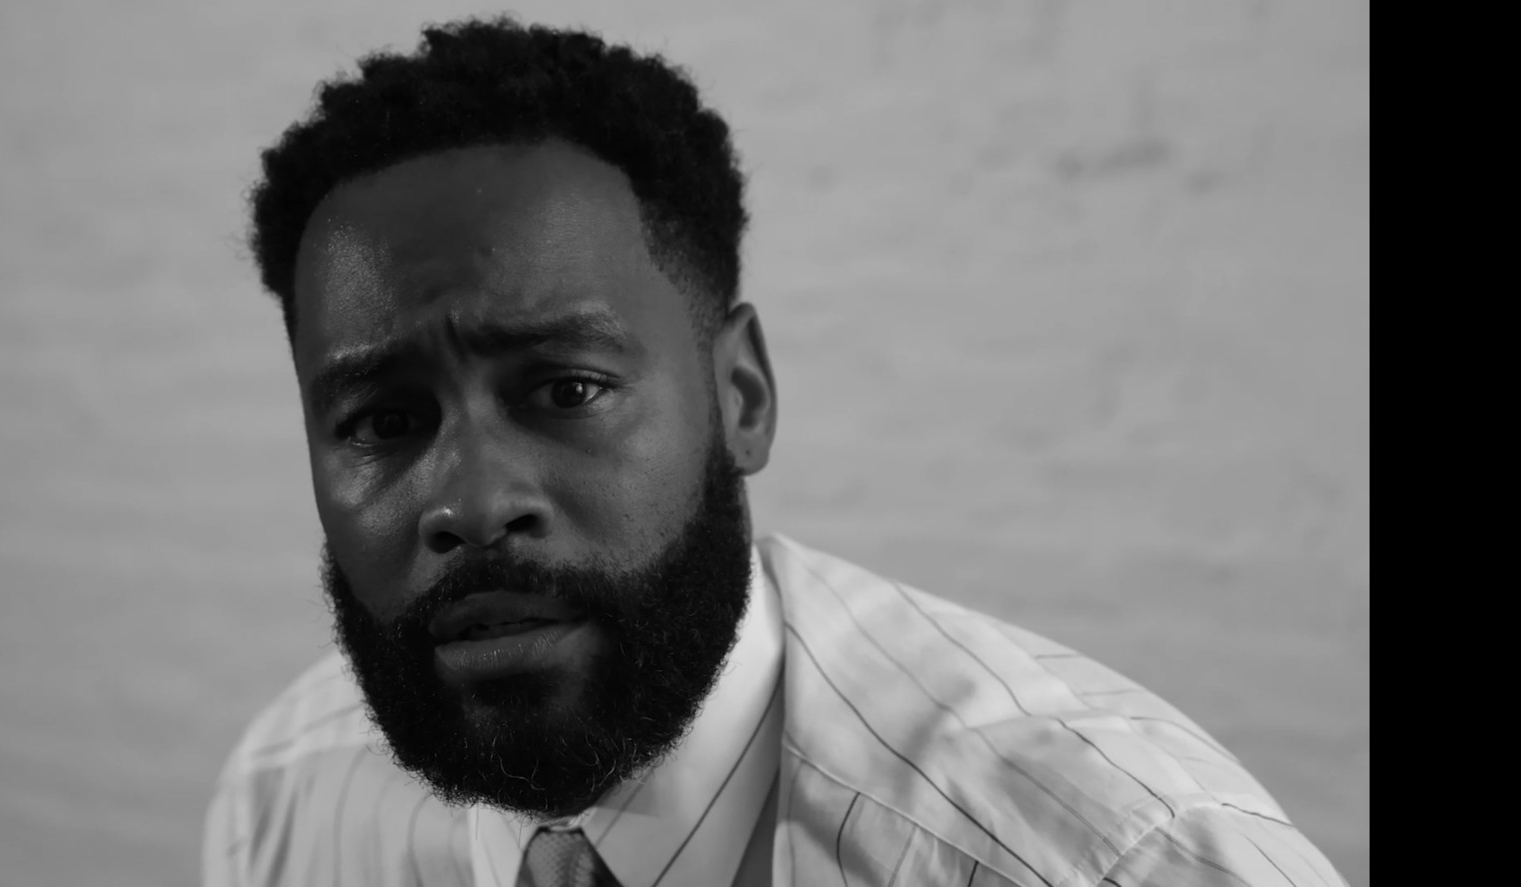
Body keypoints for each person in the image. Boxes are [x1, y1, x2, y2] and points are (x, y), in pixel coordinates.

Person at [205, 16, 1347, 887]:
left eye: (567, 390)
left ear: (740, 397)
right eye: (381, 422)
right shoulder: (288, 805)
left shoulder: (1113, 858)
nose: (471, 498)